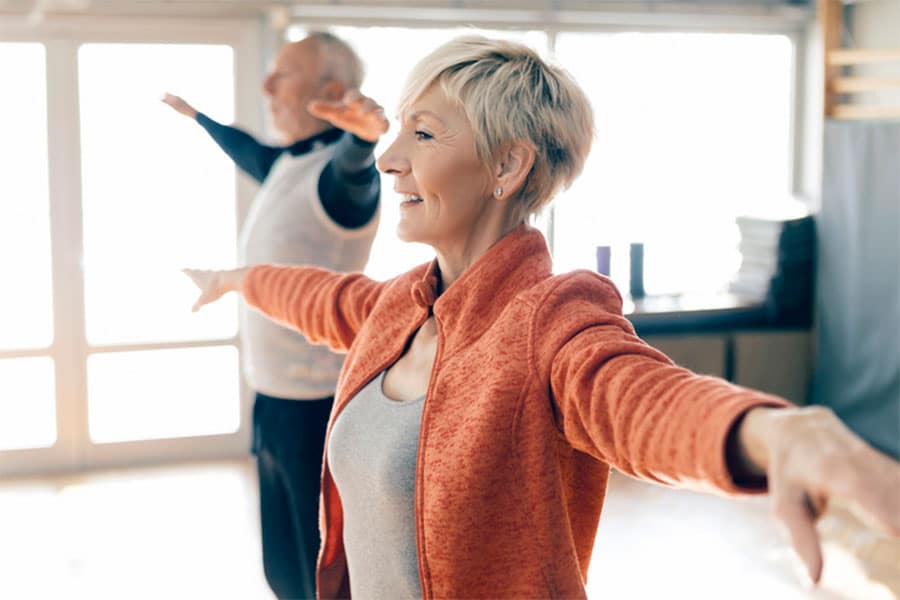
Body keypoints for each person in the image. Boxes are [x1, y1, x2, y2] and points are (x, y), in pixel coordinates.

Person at [184, 36, 900, 599]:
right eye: (398, 131)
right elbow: (316, 296)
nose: (390, 159)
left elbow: (635, 396)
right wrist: (236, 278)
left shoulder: (551, 319)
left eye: (424, 136)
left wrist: (769, 431)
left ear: (508, 167)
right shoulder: (396, 307)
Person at [164, 32, 388, 600]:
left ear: (331, 91)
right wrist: (198, 118)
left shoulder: (336, 180)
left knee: (324, 574)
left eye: (282, 74)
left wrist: (363, 140)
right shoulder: (287, 164)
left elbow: (353, 171)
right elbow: (245, 148)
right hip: (272, 400)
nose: (266, 85)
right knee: (282, 569)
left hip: (319, 407)